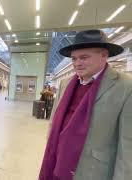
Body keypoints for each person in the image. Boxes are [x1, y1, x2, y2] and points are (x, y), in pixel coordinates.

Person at [39, 29, 132, 180]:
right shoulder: (65, 83)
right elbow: (54, 122)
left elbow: (127, 147)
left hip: (92, 172)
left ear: (104, 55)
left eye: (84, 57)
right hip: (57, 163)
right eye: (74, 59)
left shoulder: (126, 87)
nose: (77, 63)